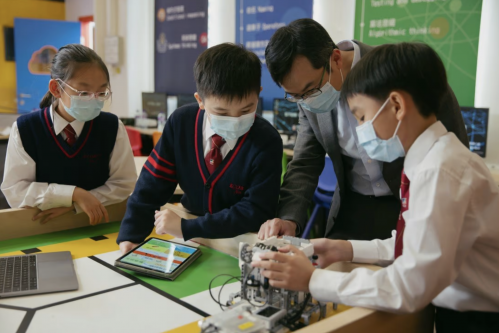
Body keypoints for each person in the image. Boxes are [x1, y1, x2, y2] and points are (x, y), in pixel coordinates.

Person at [252, 42, 499, 333]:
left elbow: (409, 286)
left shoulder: (440, 172)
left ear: (396, 105)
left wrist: (313, 280)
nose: (359, 130)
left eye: (362, 117)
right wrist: (345, 248)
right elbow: (412, 245)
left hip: (480, 318)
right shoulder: (431, 160)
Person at [258, 19, 468, 241]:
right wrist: (289, 218)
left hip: (412, 202)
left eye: (310, 90)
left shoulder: (402, 68)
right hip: (352, 206)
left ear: (336, 58)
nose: (306, 101)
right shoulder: (307, 97)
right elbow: (305, 161)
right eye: (296, 96)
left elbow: (453, 143)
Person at [117, 43, 282, 253]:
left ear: (257, 94)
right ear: (200, 101)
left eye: (247, 109)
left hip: (240, 238)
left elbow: (255, 210)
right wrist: (131, 235)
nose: (235, 120)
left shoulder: (266, 140)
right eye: (221, 112)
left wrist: (187, 228)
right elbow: (152, 183)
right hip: (190, 226)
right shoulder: (181, 123)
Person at [1, 44, 137, 225]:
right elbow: (15, 190)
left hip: (97, 223)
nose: (94, 99)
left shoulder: (111, 127)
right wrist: (74, 194)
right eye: (83, 92)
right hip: (41, 227)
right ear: (56, 89)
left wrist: (78, 204)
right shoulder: (26, 129)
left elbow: (123, 183)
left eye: (102, 92)